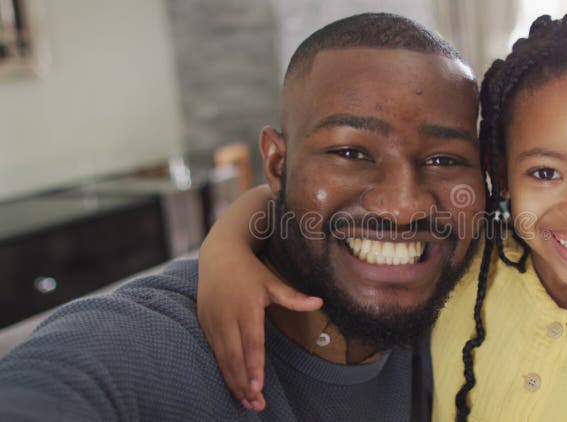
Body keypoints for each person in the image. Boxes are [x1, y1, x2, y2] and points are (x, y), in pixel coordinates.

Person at [197, 6, 567, 421]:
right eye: (545, 173)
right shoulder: (476, 263)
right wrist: (224, 253)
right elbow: (283, 199)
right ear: (499, 177)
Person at [0, 13, 485, 421]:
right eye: (350, 152)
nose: (403, 205)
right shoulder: (143, 345)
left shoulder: (473, 302)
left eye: (445, 160)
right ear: (277, 163)